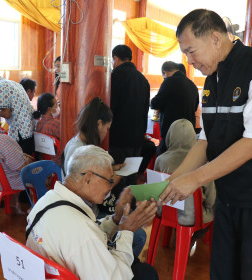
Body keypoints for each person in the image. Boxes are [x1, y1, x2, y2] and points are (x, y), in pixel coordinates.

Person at [158, 9, 252, 280]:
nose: (189, 62)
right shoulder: (212, 80)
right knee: (223, 270)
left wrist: (194, 180)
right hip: (229, 191)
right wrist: (173, 181)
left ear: (215, 38)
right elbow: (206, 140)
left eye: (191, 51)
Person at [26, 145, 159, 280]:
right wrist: (127, 230)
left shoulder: (48, 199)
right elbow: (116, 277)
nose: (110, 187)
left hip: (49, 272)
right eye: (109, 181)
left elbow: (90, 231)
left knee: (138, 265)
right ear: (88, 178)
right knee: (146, 273)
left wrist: (116, 218)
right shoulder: (81, 231)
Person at [63, 97, 146, 258]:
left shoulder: (74, 144)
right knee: (139, 235)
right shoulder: (83, 151)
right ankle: (114, 264)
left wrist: (112, 169)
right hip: (86, 214)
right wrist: (119, 175)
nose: (105, 133)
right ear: (99, 123)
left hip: (81, 210)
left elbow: (88, 175)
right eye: (106, 128)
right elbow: (94, 193)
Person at [155, 119, 215, 227]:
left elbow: (155, 186)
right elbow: (211, 198)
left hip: (164, 212)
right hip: (192, 217)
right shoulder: (203, 162)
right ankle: (192, 240)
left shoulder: (160, 159)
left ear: (170, 136)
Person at [109, 44, 150, 185]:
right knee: (131, 175)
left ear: (115, 59)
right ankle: (131, 205)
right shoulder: (143, 79)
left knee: (117, 176)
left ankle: (117, 207)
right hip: (137, 138)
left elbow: (111, 108)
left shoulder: (115, 76)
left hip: (118, 137)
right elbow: (146, 110)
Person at [151, 61, 198, 155]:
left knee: (164, 159)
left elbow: (155, 103)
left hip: (172, 132)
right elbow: (195, 107)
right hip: (188, 133)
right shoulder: (192, 85)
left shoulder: (169, 82)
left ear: (165, 73)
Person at [33, 93, 61, 165]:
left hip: (42, 161)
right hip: (57, 162)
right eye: (56, 105)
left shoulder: (37, 123)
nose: (58, 107)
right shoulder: (56, 124)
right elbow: (66, 143)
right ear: (49, 109)